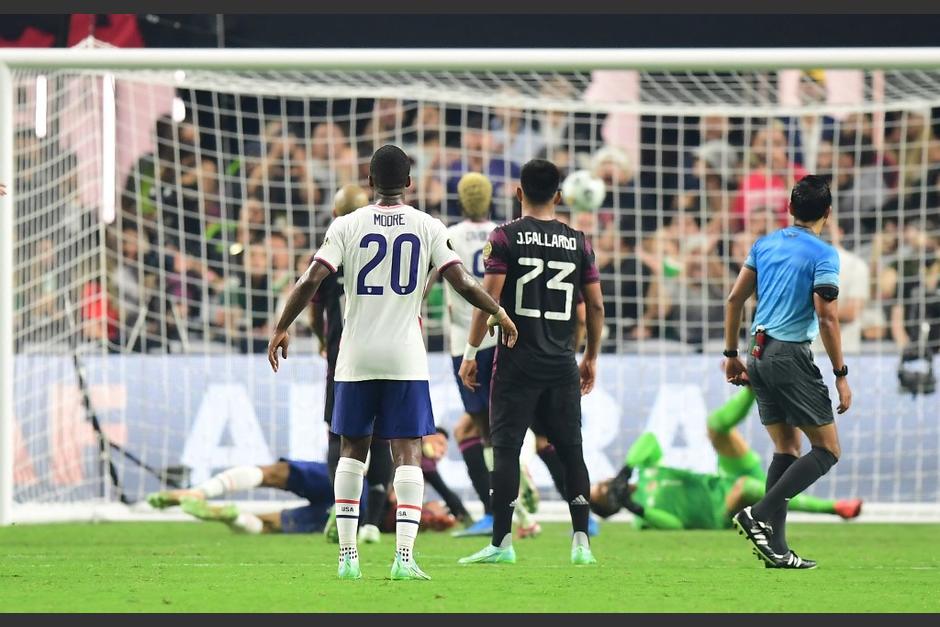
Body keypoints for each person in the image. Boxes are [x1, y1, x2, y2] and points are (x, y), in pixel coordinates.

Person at [267, 145, 518, 581]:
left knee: (351, 449)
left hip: (356, 354)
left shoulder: (346, 224)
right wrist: (497, 311)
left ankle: (348, 557)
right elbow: (461, 280)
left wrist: (281, 326)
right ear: (409, 183)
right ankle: (403, 558)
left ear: (369, 181)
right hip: (405, 355)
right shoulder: (427, 225)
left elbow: (311, 279)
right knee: (407, 452)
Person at [457, 159, 604, 566]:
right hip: (561, 363)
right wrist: (590, 356)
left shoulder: (504, 237)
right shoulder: (579, 241)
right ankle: (581, 543)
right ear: (559, 196)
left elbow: (488, 300)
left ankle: (502, 543)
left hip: (516, 362)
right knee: (571, 450)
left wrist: (471, 353)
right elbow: (593, 305)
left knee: (505, 448)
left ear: (518, 193)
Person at [724, 175, 852, 570]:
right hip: (790, 354)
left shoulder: (764, 245)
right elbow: (827, 317)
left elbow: (734, 299)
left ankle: (776, 550)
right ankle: (757, 514)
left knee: (786, 448)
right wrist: (840, 373)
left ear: (790, 209)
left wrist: (731, 354)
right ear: (827, 214)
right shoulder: (824, 255)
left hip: (758, 353)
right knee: (828, 450)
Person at [589, 387, 862, 532]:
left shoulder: (645, 470)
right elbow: (675, 525)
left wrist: (628, 468)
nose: (605, 484)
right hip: (724, 509)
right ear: (613, 506)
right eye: (603, 493)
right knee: (749, 487)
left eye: (600, 484)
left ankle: (754, 388)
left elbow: (650, 441)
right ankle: (834, 507)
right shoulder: (641, 517)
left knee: (716, 428)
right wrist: (635, 508)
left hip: (724, 480)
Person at [310, 184, 393, 546]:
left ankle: (344, 510)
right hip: (388, 351)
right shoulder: (387, 248)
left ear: (334, 214)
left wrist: (320, 338)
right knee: (384, 436)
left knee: (339, 433)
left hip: (343, 355)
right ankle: (374, 522)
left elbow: (314, 310)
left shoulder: (332, 251)